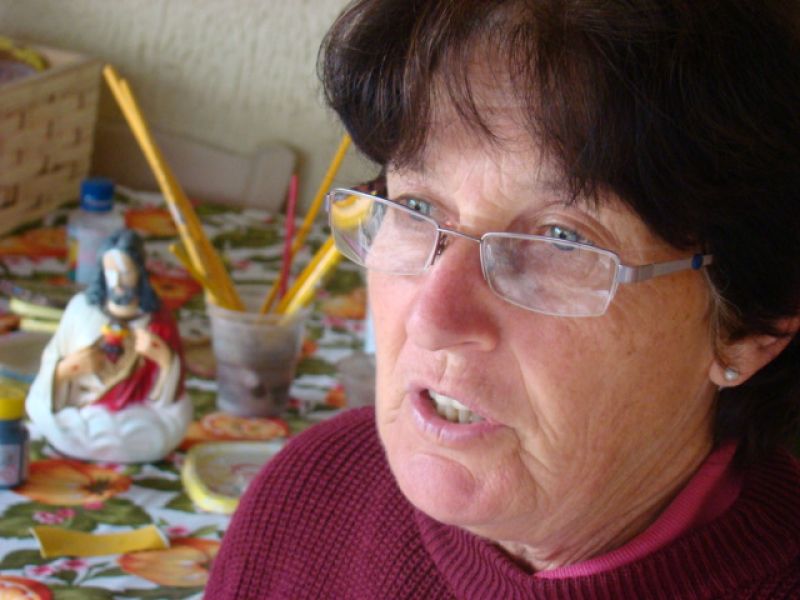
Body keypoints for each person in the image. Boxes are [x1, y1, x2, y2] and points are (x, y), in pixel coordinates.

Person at [207, 1, 800, 597]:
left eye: (561, 239)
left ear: (753, 326)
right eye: (416, 206)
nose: (432, 319)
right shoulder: (313, 496)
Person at [27, 229, 191, 463]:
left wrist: (166, 360)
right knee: (45, 414)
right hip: (81, 414)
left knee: (169, 423)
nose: (117, 282)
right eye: (110, 272)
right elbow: (52, 361)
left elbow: (171, 397)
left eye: (125, 272)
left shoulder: (158, 321)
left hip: (137, 421)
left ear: (140, 271)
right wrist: (66, 370)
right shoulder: (81, 310)